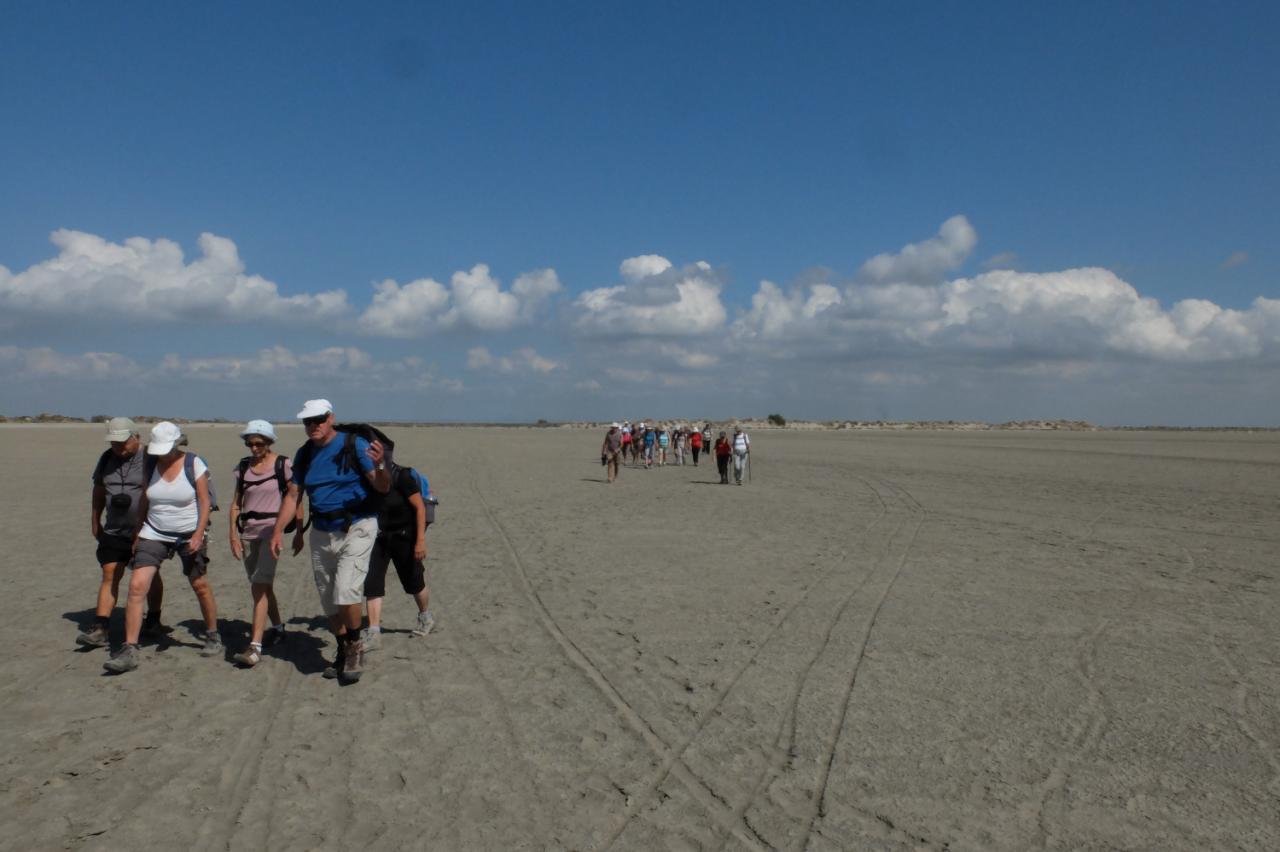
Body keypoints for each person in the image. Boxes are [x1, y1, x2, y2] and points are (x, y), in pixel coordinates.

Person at [270, 400, 391, 685]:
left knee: (346, 590)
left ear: (331, 418)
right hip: (322, 531)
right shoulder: (305, 454)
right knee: (328, 598)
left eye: (319, 420)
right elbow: (293, 495)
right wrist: (277, 531)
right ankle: (343, 648)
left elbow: (382, 486)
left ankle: (355, 646)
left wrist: (381, 464)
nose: (313, 426)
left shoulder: (354, 444)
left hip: (357, 526)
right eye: (307, 421)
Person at [104, 422, 222, 673]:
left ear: (177, 444)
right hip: (154, 531)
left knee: (199, 584)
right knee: (137, 586)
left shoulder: (194, 463)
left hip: (189, 532)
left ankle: (213, 635)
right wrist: (138, 532)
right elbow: (145, 499)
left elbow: (205, 501)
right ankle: (130, 649)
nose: (162, 454)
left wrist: (199, 534)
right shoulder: (150, 463)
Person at [78, 418, 165, 648]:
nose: (118, 447)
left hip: (147, 529)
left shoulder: (151, 459)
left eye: (122, 442)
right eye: (114, 443)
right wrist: (95, 519)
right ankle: (100, 627)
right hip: (114, 528)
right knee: (110, 573)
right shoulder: (106, 458)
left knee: (148, 576)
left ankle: (154, 619)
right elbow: (99, 490)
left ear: (136, 437)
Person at [228, 420, 295, 667]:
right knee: (262, 588)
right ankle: (277, 627)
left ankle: (254, 647)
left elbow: (294, 496)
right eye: (249, 443)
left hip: (272, 533)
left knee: (259, 585)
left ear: (269, 442)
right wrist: (233, 536)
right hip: (249, 533)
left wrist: (296, 531)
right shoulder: (243, 467)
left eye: (258, 443)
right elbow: (236, 503)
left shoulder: (283, 464)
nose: (253, 448)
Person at [362, 462, 434, 651]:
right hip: (378, 537)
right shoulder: (367, 477)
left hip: (404, 536)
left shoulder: (401, 476)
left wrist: (420, 541)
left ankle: (425, 616)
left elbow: (420, 508)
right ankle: (374, 631)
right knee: (372, 583)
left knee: (414, 582)